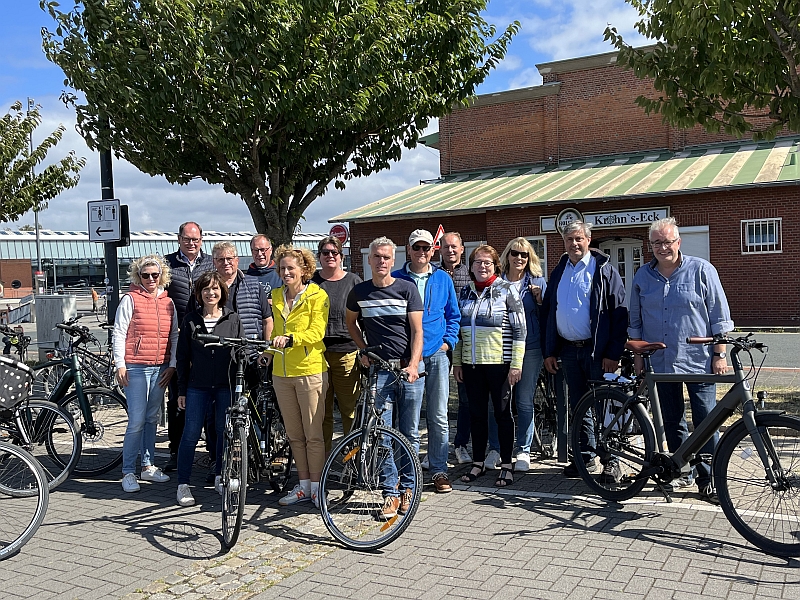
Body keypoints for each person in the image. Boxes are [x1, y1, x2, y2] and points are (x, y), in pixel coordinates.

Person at [629, 217, 733, 503]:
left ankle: (708, 477)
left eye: (668, 241)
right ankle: (679, 470)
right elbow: (635, 322)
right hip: (660, 362)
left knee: (706, 421)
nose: (663, 247)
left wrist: (719, 353)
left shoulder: (702, 270)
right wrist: (638, 358)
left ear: (679, 242)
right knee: (672, 420)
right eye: (657, 243)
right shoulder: (642, 277)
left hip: (699, 360)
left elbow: (719, 316)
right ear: (650, 246)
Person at [540, 222, 628, 480]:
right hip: (568, 351)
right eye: (569, 239)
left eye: (579, 238)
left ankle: (611, 461)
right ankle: (584, 459)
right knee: (580, 408)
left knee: (604, 409)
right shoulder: (558, 272)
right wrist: (550, 351)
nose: (574, 244)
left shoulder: (603, 270)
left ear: (589, 240)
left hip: (597, 352)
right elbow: (550, 312)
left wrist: (613, 353)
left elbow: (619, 314)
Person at [346, 237, 424, 518]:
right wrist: (362, 348)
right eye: (377, 257)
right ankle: (390, 492)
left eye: (386, 257)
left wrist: (414, 365)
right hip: (380, 371)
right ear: (369, 260)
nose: (381, 262)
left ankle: (409, 488)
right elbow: (350, 322)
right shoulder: (360, 292)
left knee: (410, 434)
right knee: (383, 434)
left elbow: (417, 331)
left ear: (393, 260)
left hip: (408, 370)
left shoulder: (407, 288)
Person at [393, 229, 460, 493]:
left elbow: (453, 315)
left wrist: (447, 342)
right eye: (416, 247)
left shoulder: (442, 278)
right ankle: (408, 474)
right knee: (409, 419)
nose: (421, 252)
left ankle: (438, 470)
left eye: (426, 248)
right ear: (408, 250)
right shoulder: (396, 278)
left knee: (439, 417)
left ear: (433, 251)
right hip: (409, 358)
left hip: (437, 354)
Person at [453, 245, 525, 487]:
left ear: (496, 266)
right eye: (477, 262)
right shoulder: (465, 291)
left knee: (503, 415)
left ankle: (506, 464)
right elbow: (459, 332)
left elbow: (520, 331)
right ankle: (478, 462)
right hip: (472, 365)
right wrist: (458, 361)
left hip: (500, 364)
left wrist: (516, 364)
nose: (482, 267)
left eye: (487, 263)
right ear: (471, 266)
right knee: (476, 415)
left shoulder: (507, 290)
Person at [175, 271, 245, 507]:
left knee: (222, 432)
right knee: (191, 433)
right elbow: (183, 356)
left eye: (215, 289)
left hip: (225, 386)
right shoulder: (191, 320)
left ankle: (220, 476)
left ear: (222, 292)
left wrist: (239, 387)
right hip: (198, 386)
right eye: (206, 289)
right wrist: (182, 389)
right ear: (199, 293)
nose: (211, 293)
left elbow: (240, 354)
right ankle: (183, 483)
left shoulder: (233, 319)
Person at [267, 246, 330, 508]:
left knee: (313, 434)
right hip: (281, 373)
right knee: (294, 435)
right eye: (282, 268)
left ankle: (318, 488)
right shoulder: (276, 295)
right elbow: (275, 333)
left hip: (309, 371)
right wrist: (268, 351)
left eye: (291, 268)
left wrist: (292, 339)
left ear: (304, 269)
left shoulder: (318, 295)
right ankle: (303, 486)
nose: (286, 272)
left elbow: (317, 332)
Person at [113, 255, 178, 493]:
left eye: (155, 274)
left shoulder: (168, 303)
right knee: (137, 420)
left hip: (160, 367)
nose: (150, 279)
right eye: (145, 275)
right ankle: (128, 470)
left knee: (152, 418)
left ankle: (148, 464)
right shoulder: (130, 299)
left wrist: (171, 364)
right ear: (138, 276)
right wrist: (120, 363)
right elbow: (119, 332)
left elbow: (174, 336)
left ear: (162, 276)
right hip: (136, 366)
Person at [163, 221, 214, 472]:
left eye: (195, 239)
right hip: (180, 338)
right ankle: (176, 450)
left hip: (207, 338)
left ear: (202, 239)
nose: (191, 243)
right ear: (179, 239)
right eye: (186, 239)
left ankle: (212, 452)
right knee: (177, 398)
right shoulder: (167, 264)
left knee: (208, 397)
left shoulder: (211, 263)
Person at [311, 236, 362, 453]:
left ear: (341, 256)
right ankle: (322, 464)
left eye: (334, 252)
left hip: (346, 353)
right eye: (325, 252)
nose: (330, 256)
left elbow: (363, 317)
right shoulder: (311, 282)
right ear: (319, 256)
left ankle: (351, 460)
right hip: (316, 354)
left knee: (349, 410)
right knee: (321, 412)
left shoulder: (353, 281)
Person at [500, 237, 547, 472]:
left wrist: (539, 299)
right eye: (515, 253)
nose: (519, 258)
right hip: (501, 349)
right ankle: (497, 449)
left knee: (524, 399)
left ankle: (524, 450)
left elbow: (547, 314)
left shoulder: (537, 283)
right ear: (507, 256)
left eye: (524, 255)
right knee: (499, 400)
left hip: (531, 347)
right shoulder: (496, 284)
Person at [439, 232, 473, 465]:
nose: (450, 251)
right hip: (439, 343)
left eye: (454, 247)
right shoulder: (434, 274)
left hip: (465, 342)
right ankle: (437, 447)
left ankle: (461, 444)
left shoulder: (470, 275)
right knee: (437, 398)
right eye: (446, 247)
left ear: (462, 249)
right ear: (439, 249)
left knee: (465, 397)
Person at [211, 242, 273, 341]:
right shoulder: (205, 288)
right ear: (214, 262)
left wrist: (267, 350)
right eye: (221, 259)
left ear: (237, 260)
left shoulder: (254, 285)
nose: (226, 263)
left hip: (250, 349)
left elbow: (267, 320)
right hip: (217, 347)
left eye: (229, 258)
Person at [246, 234, 283, 299]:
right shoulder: (244, 279)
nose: (259, 254)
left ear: (271, 250)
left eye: (263, 249)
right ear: (251, 251)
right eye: (256, 250)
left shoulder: (281, 274)